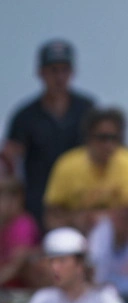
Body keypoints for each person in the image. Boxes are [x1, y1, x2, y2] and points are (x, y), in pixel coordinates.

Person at [3, 40, 95, 228]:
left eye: (64, 70)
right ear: (41, 73)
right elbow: (9, 162)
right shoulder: (25, 116)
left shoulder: (87, 110)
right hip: (38, 205)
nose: (59, 77)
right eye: (53, 70)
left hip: (81, 203)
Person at [43, 107, 128, 234]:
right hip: (77, 235)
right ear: (88, 137)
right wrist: (76, 220)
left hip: (123, 238)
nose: (108, 145)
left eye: (114, 138)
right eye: (103, 138)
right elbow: (51, 215)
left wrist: (105, 218)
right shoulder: (67, 165)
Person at [0, 179, 41, 288]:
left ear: (16, 200)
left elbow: (16, 266)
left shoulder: (23, 224)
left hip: (20, 290)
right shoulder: (4, 223)